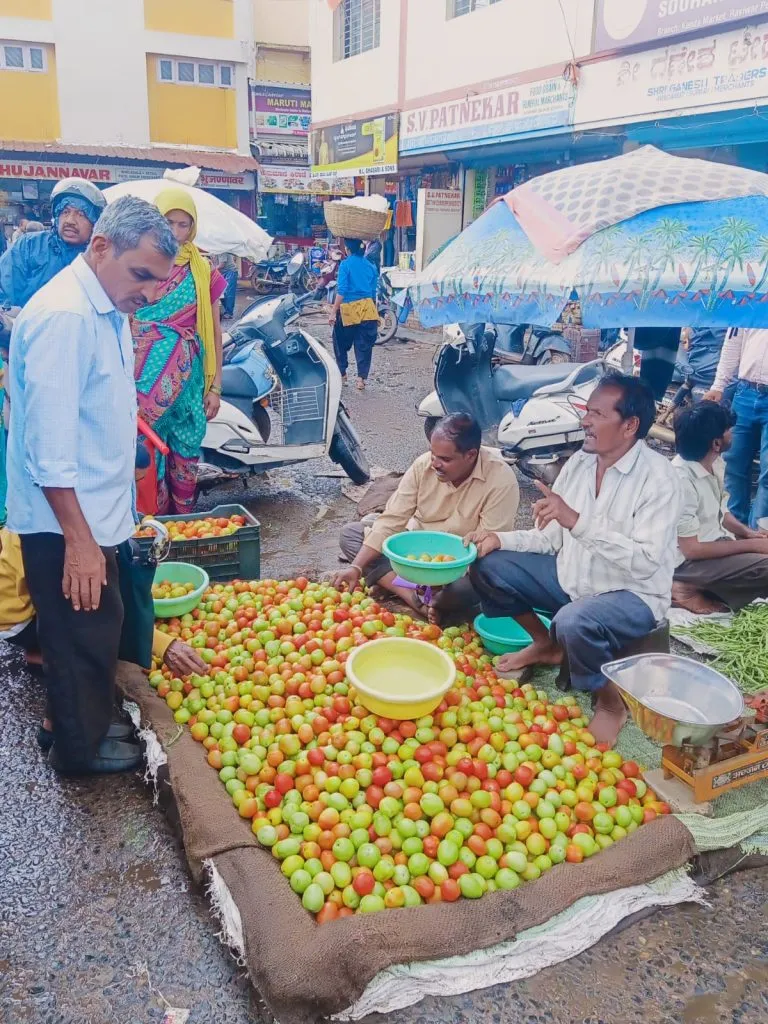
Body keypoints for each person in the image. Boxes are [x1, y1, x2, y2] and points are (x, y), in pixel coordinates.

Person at [6, 195, 178, 774]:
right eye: (142, 275)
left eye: (158, 281)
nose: (150, 293)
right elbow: (49, 451)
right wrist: (80, 543)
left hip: (92, 511)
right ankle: (79, 756)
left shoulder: (104, 308)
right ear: (101, 247)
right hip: (65, 520)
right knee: (80, 637)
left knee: (89, 630)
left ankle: (69, 729)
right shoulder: (66, 317)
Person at [466, 373, 682, 746]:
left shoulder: (659, 479)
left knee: (574, 619)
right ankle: (545, 645)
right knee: (487, 565)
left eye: (597, 414)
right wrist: (498, 538)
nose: (585, 420)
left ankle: (610, 702)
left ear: (630, 425)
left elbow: (646, 562)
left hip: (633, 595)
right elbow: (551, 538)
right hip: (572, 578)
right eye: (587, 411)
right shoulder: (581, 464)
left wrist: (577, 522)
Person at [0, 526, 207, 750]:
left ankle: (72, 717)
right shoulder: (67, 531)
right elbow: (88, 609)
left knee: (88, 630)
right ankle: (68, 734)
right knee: (92, 638)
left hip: (24, 599)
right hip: (16, 617)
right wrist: (161, 644)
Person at [333, 413, 520, 621]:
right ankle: (415, 598)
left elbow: (486, 547)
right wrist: (355, 568)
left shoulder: (501, 480)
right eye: (433, 454)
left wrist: (441, 577)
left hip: (458, 568)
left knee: (484, 579)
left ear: (471, 455)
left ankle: (423, 594)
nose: (435, 464)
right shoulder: (423, 466)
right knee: (352, 535)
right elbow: (392, 520)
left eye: (445, 459)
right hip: (414, 555)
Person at [132, 187, 227, 514]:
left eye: (183, 224)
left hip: (190, 386)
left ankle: (184, 528)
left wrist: (215, 387)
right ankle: (152, 532)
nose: (175, 231)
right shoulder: (140, 266)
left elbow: (214, 331)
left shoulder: (204, 270)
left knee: (186, 455)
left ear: (193, 227)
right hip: (144, 387)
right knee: (147, 456)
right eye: (168, 222)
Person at [671, 401, 768, 614]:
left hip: (714, 544)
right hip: (685, 563)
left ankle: (711, 588)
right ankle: (682, 586)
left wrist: (749, 534)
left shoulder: (713, 462)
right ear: (716, 443)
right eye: (728, 431)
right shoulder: (681, 481)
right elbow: (692, 549)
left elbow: (720, 512)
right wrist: (752, 546)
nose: (732, 434)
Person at [0, 179, 106, 309]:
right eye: (65, 212)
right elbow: (5, 290)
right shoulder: (29, 245)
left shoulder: (102, 257)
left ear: (94, 223)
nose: (70, 221)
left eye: (81, 214)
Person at [704, 328, 768, 528]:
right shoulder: (751, 300)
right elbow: (732, 342)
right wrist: (718, 385)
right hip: (745, 391)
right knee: (732, 464)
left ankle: (758, 539)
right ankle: (733, 530)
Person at [328, 238, 379, 391]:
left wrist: (333, 311)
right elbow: (372, 292)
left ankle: (342, 374)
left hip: (349, 309)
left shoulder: (345, 264)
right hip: (367, 308)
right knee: (364, 345)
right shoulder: (371, 266)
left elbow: (342, 290)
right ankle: (361, 380)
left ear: (348, 250)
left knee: (340, 342)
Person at [216, 251, 239, 320]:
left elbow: (222, 264)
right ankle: (227, 310)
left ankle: (229, 313)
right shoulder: (213, 249)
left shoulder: (221, 250)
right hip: (223, 272)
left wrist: (211, 270)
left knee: (228, 293)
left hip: (230, 271)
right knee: (221, 292)